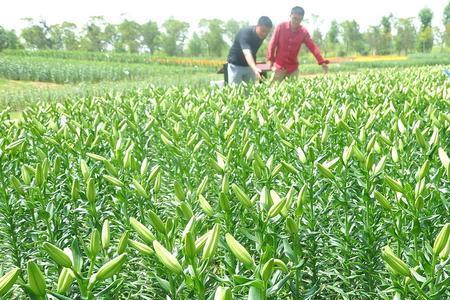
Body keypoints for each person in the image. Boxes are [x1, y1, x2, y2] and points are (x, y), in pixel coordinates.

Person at [267, 6, 329, 82]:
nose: (296, 22)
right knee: (273, 90)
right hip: (279, 66)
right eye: (294, 18)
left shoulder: (303, 32)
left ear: (302, 19)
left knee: (293, 91)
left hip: (293, 68)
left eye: (299, 19)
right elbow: (272, 43)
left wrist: (321, 61)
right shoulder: (281, 27)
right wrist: (271, 60)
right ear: (290, 15)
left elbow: (312, 47)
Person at [227, 16, 273, 85]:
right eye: (263, 31)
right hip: (236, 65)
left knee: (249, 91)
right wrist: (255, 69)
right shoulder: (246, 33)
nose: (264, 34)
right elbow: (247, 53)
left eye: (267, 32)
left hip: (249, 66)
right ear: (257, 26)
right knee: (235, 90)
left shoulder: (261, 35)